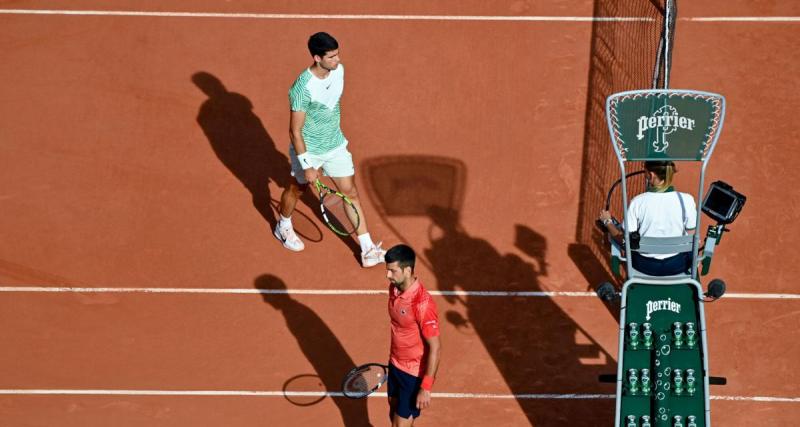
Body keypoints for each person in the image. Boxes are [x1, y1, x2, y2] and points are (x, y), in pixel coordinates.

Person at [274, 32, 386, 268]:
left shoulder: (339, 71)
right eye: (331, 57)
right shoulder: (302, 89)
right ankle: (283, 225)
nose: (337, 60)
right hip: (309, 151)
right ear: (317, 58)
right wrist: (307, 164)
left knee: (350, 192)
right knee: (296, 190)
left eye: (337, 54)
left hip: (335, 145)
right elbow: (295, 131)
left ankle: (367, 249)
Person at [599, 160, 696, 276]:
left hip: (644, 266)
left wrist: (607, 222)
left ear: (651, 175)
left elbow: (624, 240)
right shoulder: (687, 200)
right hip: (678, 265)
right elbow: (691, 233)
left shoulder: (637, 202)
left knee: (613, 235)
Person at [384, 244, 441, 426]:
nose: (388, 276)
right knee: (392, 414)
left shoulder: (422, 304)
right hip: (394, 364)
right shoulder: (394, 289)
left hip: (413, 374)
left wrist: (426, 386)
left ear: (407, 270)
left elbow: (436, 347)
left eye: (392, 271)